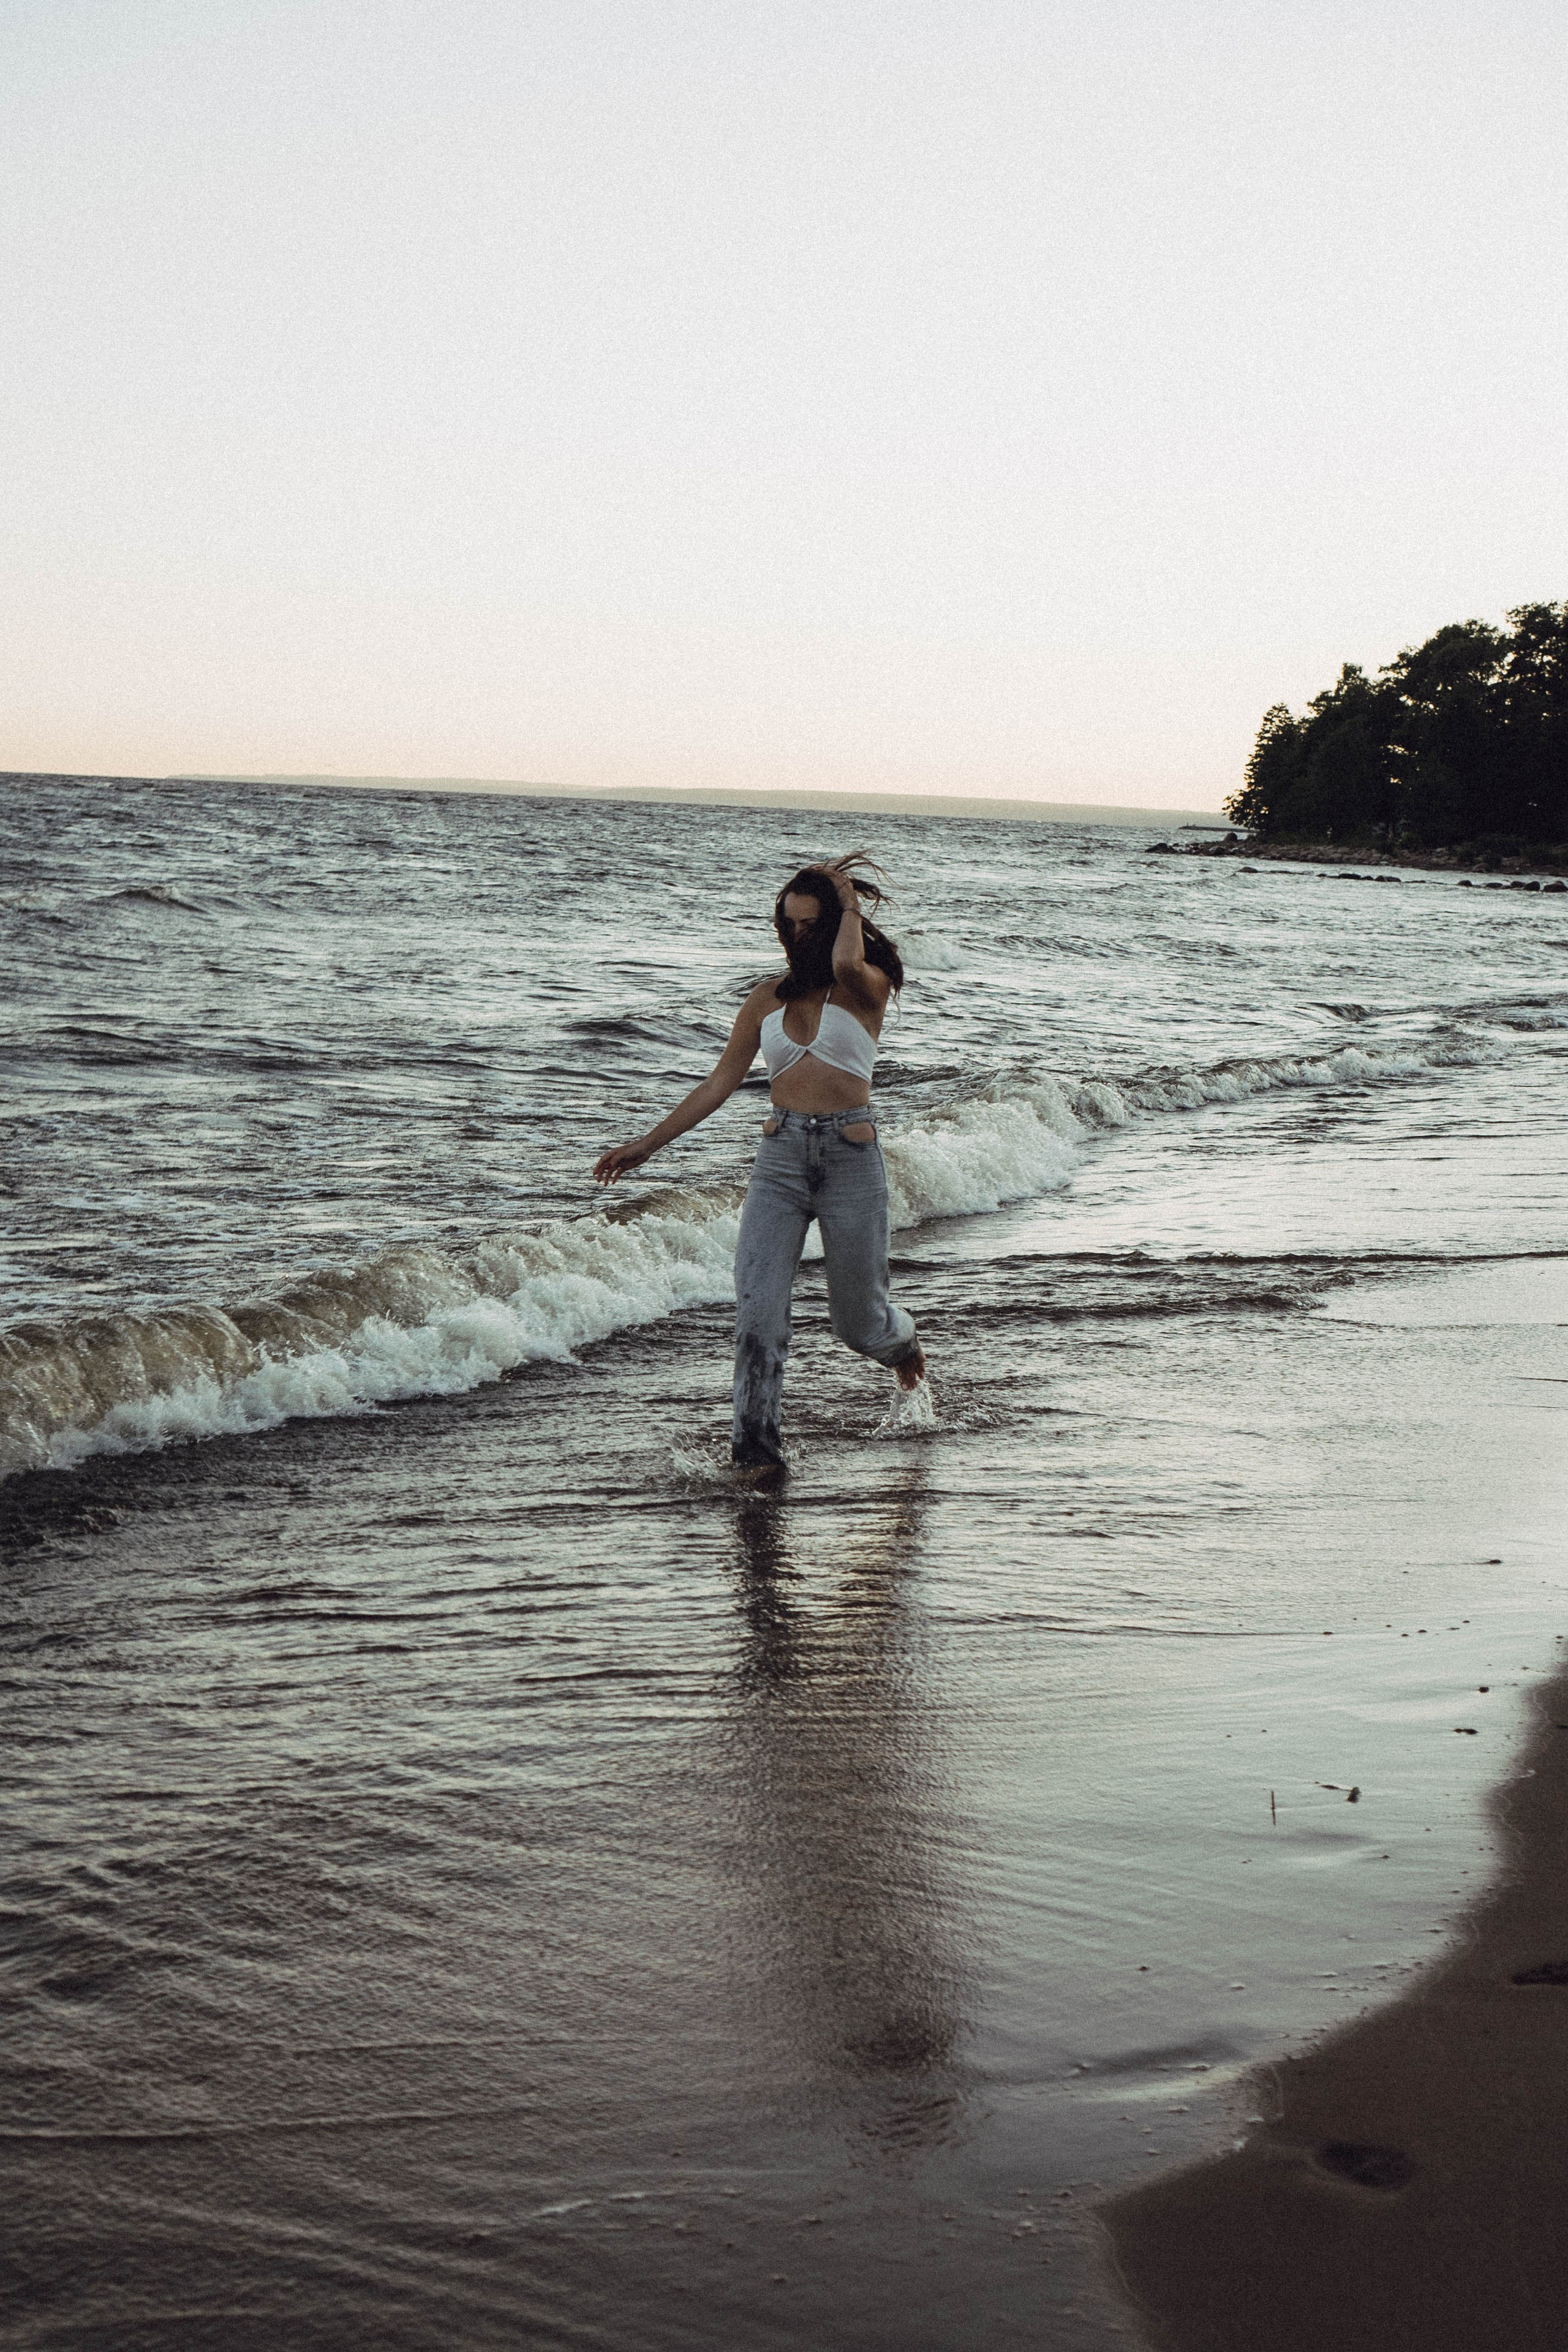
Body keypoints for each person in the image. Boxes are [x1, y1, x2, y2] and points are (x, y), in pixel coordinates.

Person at [593, 856, 927, 1473]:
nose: (798, 936)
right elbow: (719, 1082)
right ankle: (756, 1456)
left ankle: (901, 1343)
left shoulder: (866, 984)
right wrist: (649, 1144)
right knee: (757, 1321)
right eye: (789, 925)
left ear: (835, 925)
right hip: (779, 1161)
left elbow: (847, 962)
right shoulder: (764, 998)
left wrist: (847, 896)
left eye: (811, 925)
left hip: (852, 1161)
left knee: (858, 1326)